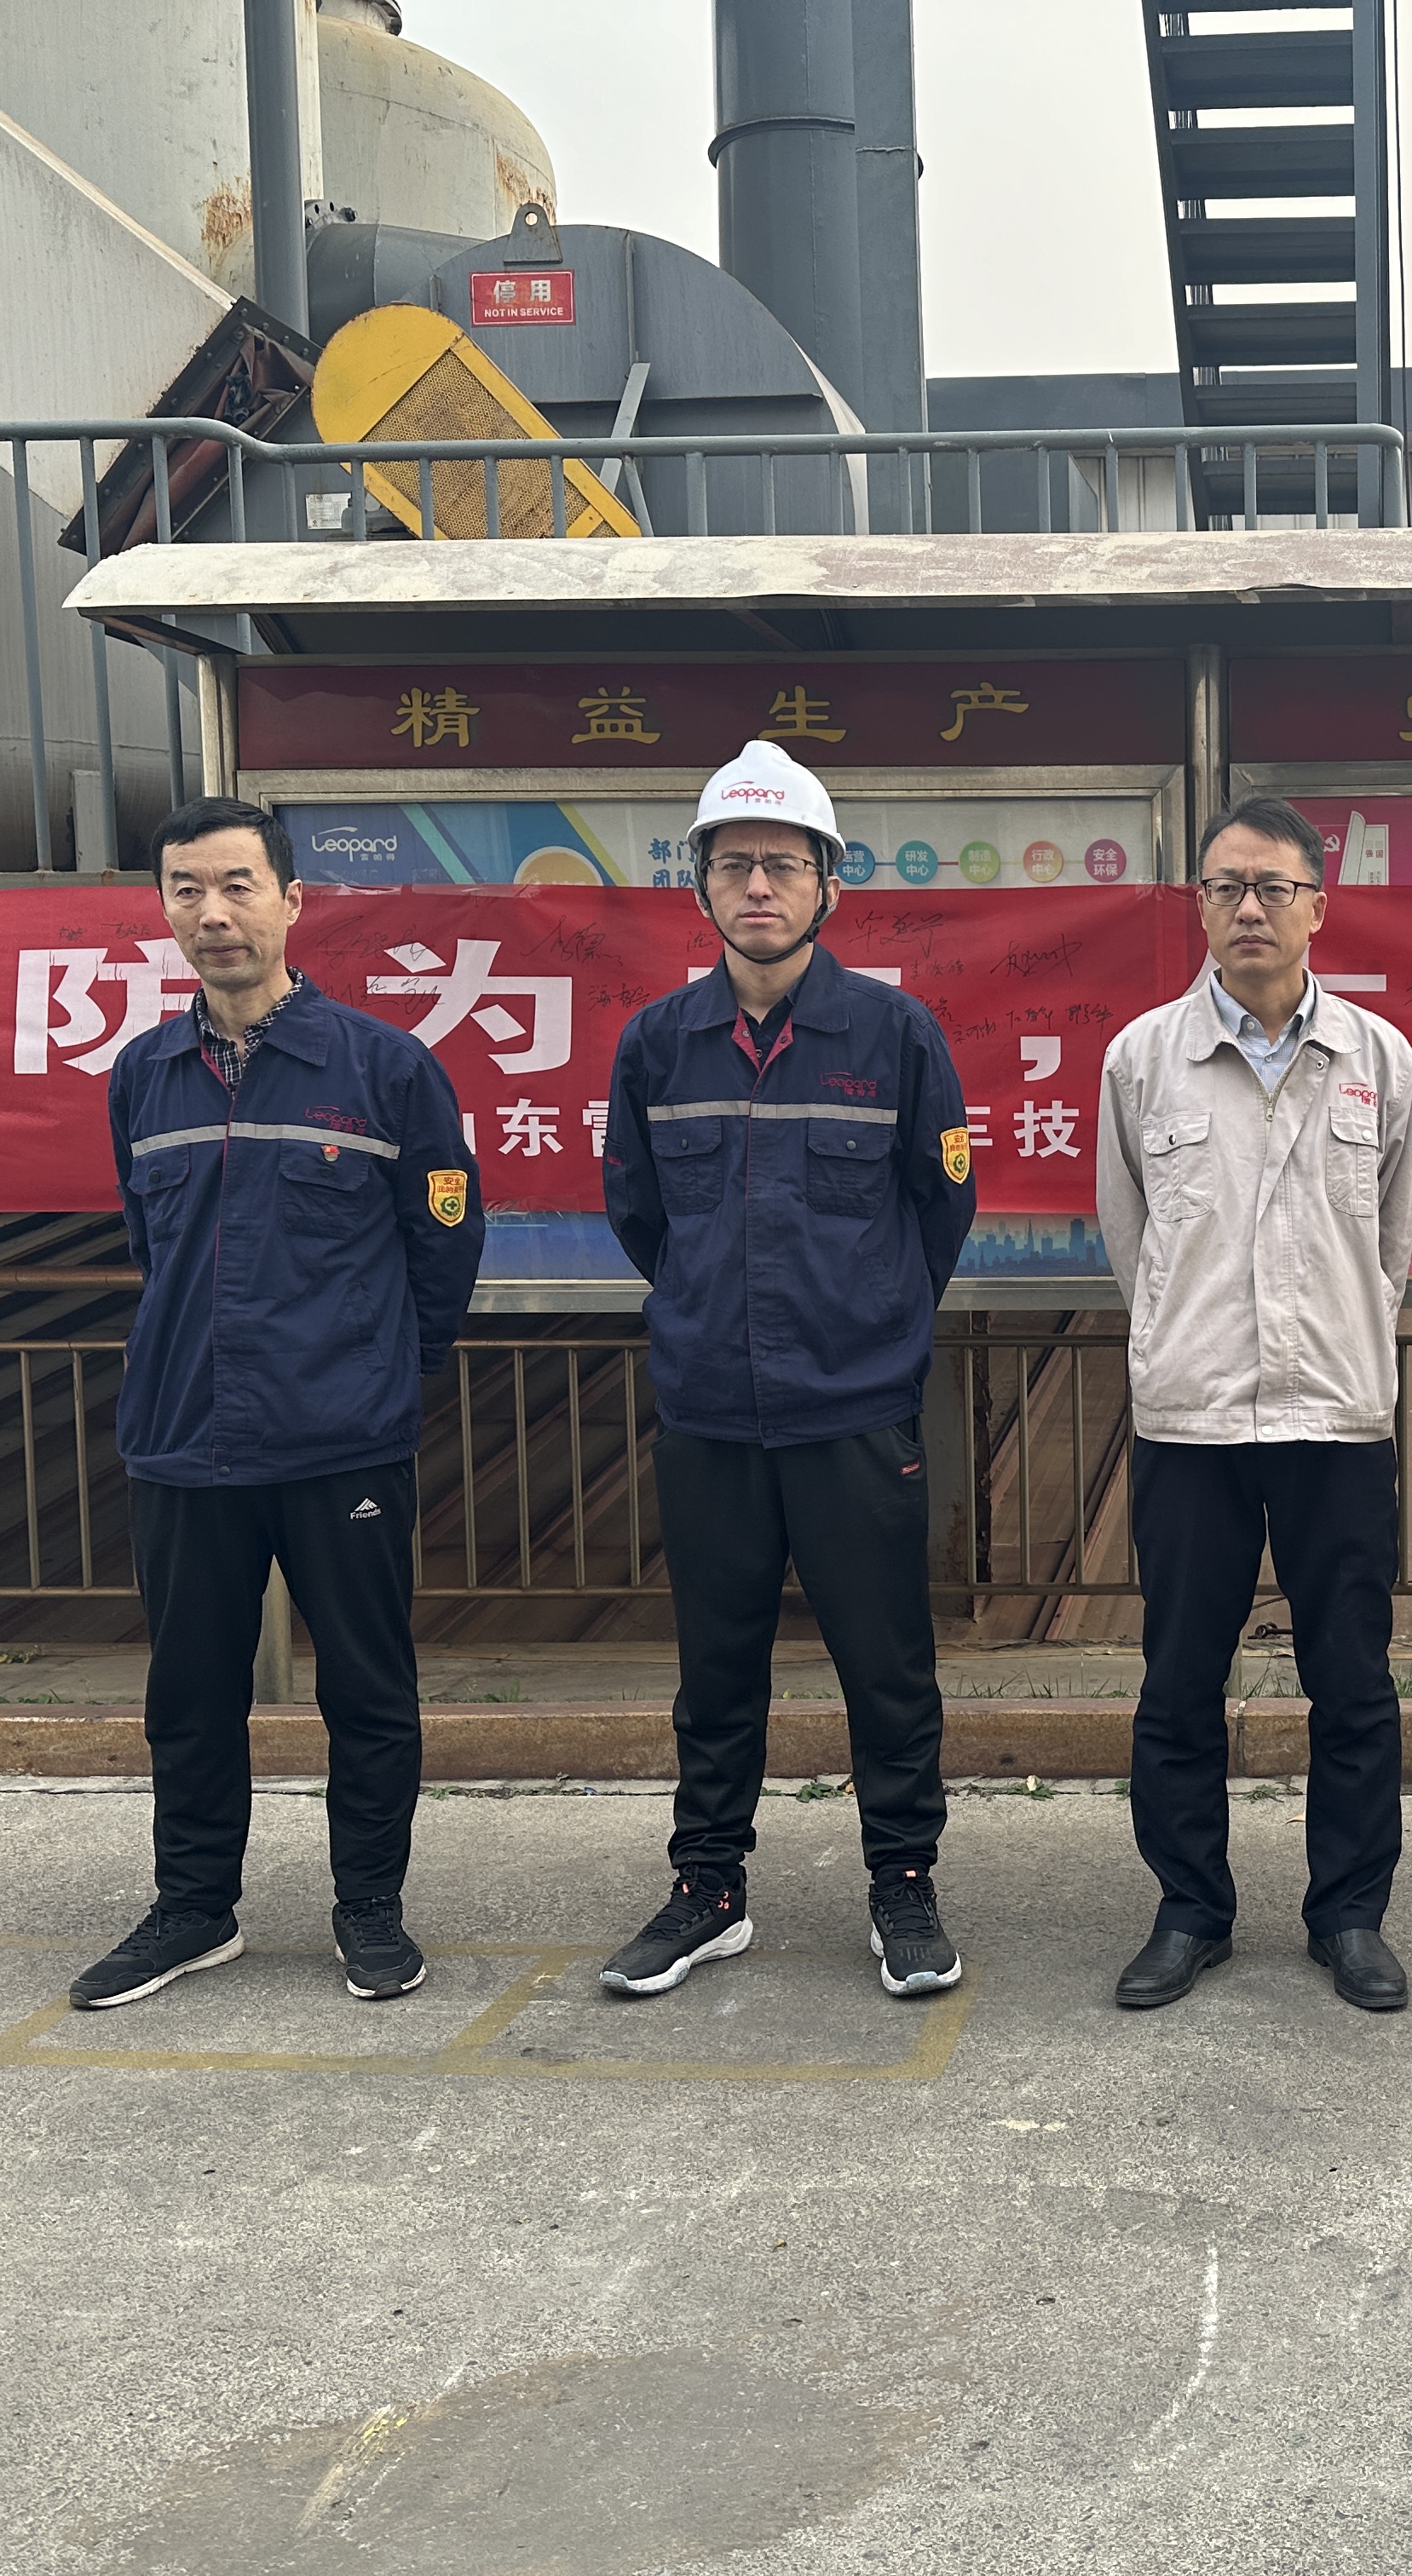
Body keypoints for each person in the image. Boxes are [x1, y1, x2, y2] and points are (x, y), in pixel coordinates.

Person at [76, 797, 482, 2010]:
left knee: (368, 1690)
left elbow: (445, 1242)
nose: (214, 913)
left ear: (293, 901)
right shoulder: (144, 1075)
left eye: (238, 885)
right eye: (187, 889)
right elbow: (153, 1243)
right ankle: (194, 1909)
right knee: (191, 1694)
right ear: (164, 909)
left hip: (338, 1441)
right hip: (183, 1439)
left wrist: (385, 1377)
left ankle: (370, 1909)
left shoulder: (384, 1069)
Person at [596, 740, 977, 2003]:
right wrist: (713, 1315)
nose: (758, 886)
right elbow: (640, 1214)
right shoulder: (658, 1045)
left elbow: (940, 1210)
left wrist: (870, 1327)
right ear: (699, 884)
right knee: (716, 1672)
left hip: (853, 1413)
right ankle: (708, 1891)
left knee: (887, 1668)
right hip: (710, 1412)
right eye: (734, 864)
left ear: (828, 883)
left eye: (783, 864)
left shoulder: (895, 1035)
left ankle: (903, 1885)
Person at [1094, 797, 1412, 2013]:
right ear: (1200, 905)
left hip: (1337, 1416)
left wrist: (1341, 1337)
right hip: (1194, 1421)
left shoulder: (1380, 1059)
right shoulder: (1142, 1059)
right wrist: (1185, 1339)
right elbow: (1132, 1241)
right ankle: (1190, 1911)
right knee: (1180, 1679)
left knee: (1354, 1682)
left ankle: (1350, 1916)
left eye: (1274, 888)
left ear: (1317, 908)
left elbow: (1389, 1245)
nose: (1249, 908)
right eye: (1227, 886)